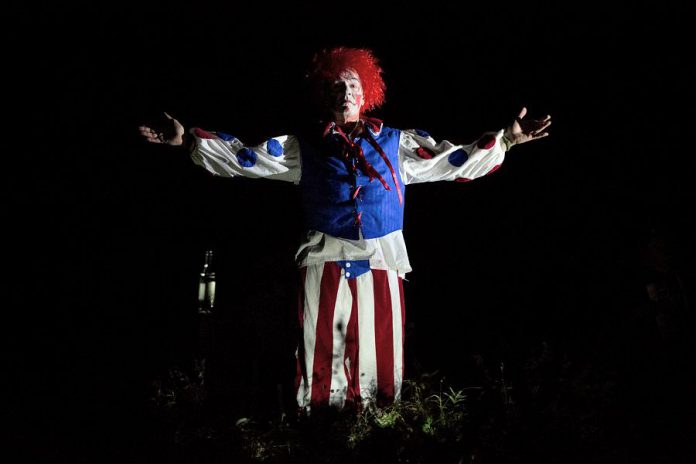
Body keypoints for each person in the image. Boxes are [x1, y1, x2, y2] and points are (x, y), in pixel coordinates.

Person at [139, 46, 551, 411]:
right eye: (335, 85)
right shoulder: (304, 146)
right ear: (325, 95)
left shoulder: (396, 142)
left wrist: (506, 141)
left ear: (366, 91)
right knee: (321, 354)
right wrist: (191, 143)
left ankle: (378, 430)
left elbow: (452, 160)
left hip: (381, 256)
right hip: (325, 255)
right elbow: (249, 159)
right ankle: (319, 431)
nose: (345, 91)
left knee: (380, 357)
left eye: (352, 83)